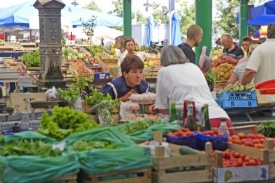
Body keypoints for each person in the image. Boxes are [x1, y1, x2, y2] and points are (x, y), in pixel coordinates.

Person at [149, 45, 235, 135]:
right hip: (222, 117)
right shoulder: (194, 67)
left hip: (197, 123)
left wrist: (158, 109)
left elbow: (163, 109)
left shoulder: (164, 71)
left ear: (163, 59)